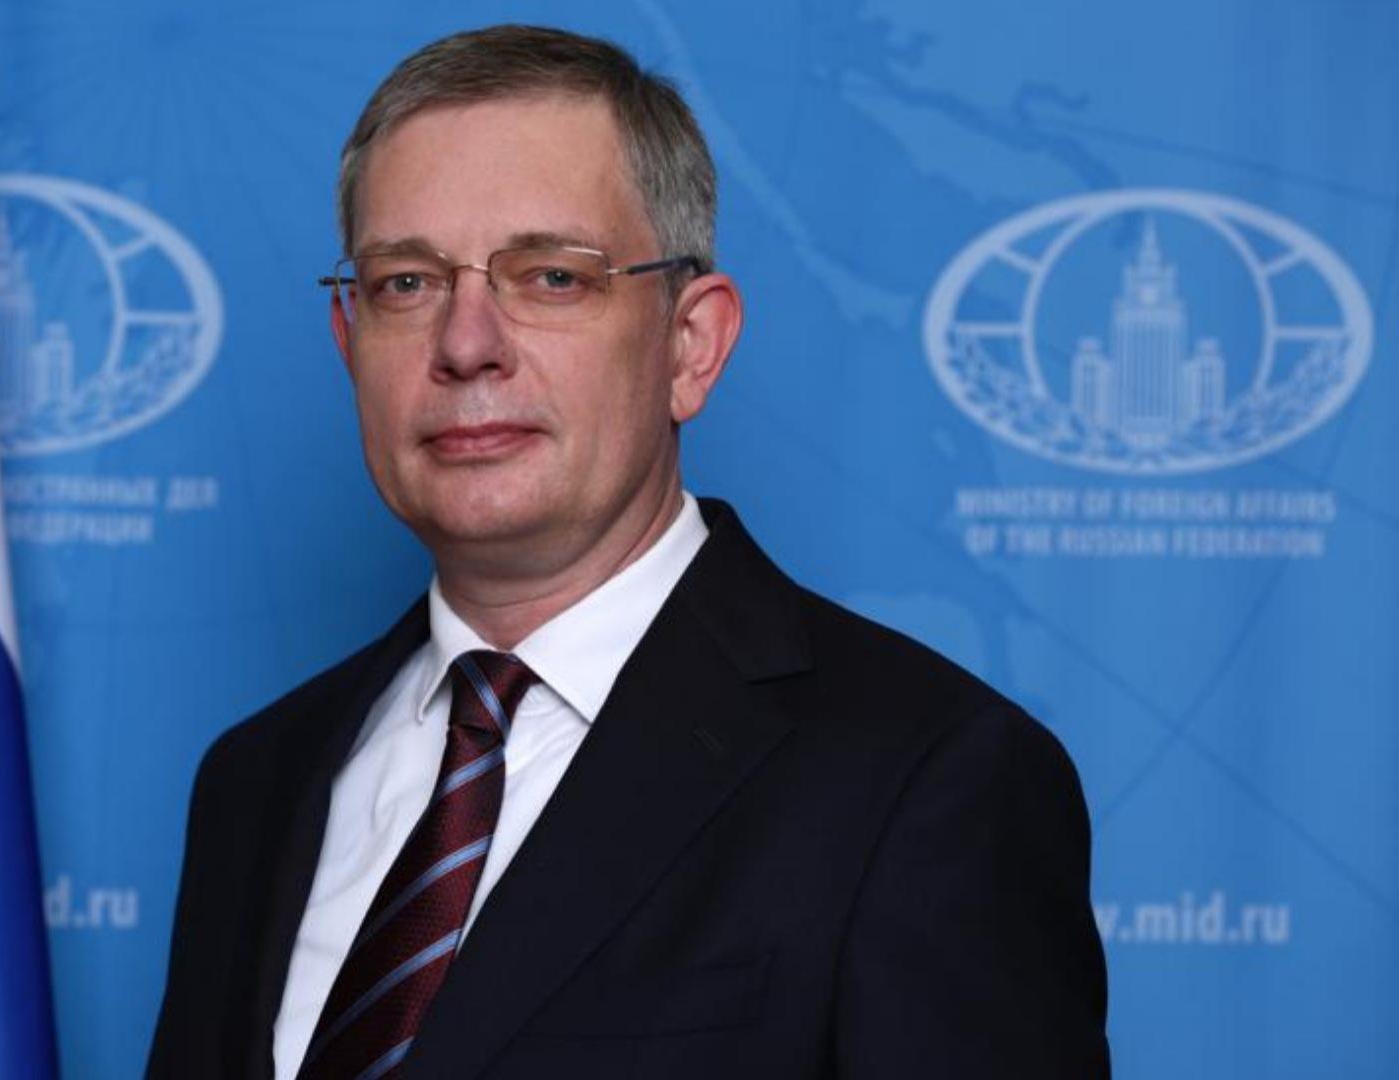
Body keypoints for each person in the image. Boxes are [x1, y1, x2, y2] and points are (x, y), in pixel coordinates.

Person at [149, 24, 1108, 1080]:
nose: (465, 344)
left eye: (551, 277)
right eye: (406, 284)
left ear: (690, 346)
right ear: (349, 341)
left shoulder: (924, 782)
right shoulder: (256, 781)